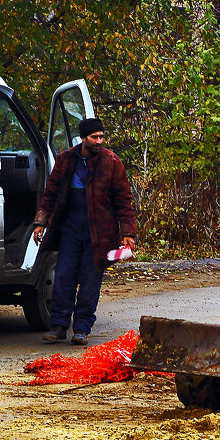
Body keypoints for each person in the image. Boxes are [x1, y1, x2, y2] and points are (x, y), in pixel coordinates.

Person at [31, 117, 137, 345]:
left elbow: (123, 200)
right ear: (83, 138)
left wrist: (128, 232)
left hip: (100, 234)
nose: (99, 141)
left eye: (101, 136)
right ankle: (58, 326)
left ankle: (81, 329)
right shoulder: (66, 159)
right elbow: (50, 193)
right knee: (63, 277)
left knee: (90, 282)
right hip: (70, 229)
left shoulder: (111, 162)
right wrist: (40, 222)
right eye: (94, 137)